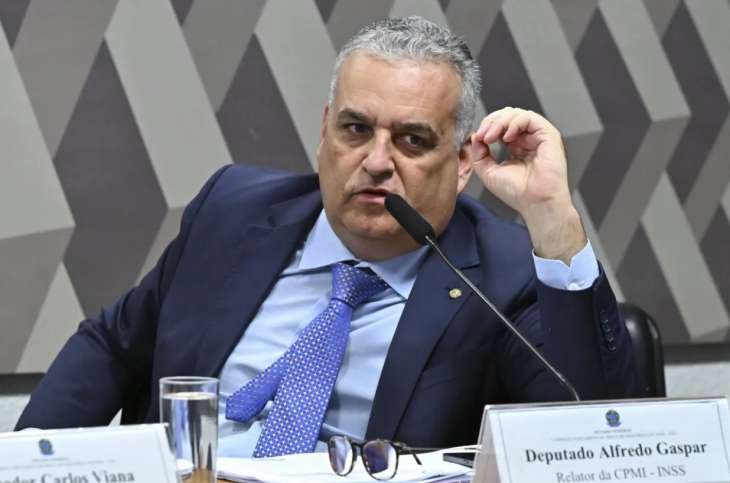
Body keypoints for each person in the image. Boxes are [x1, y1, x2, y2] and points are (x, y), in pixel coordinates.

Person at [16, 16, 637, 456]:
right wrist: (30, 462)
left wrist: (553, 217)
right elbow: (114, 345)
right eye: (355, 129)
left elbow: (592, 432)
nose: (376, 161)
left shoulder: (503, 276)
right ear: (324, 132)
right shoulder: (231, 214)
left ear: (462, 163)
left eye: (412, 140)